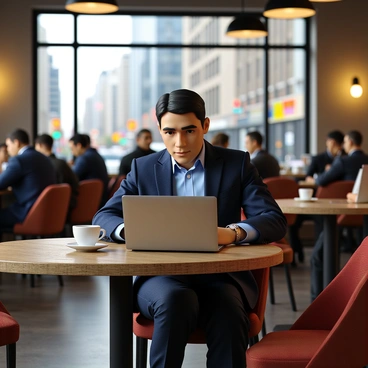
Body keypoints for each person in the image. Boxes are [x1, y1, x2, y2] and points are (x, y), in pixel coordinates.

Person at [93, 89, 287, 368]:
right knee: (175, 300)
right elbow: (104, 216)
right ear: (159, 129)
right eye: (170, 132)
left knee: (228, 310)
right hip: (160, 277)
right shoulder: (143, 168)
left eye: (189, 131)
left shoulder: (237, 163)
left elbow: (273, 218)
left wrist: (233, 233)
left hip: (221, 277)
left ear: (205, 126)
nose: (180, 142)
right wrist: (130, 230)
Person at [309, 130, 368, 301]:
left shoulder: (343, 161)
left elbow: (321, 181)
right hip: (363, 217)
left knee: (318, 256)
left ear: (349, 142)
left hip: (341, 215)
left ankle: (319, 301)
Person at [289, 130, 345, 265]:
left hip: (337, 204)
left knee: (322, 221)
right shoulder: (318, 159)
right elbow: (308, 177)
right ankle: (298, 251)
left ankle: (323, 254)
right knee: (294, 221)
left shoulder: (344, 160)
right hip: (315, 201)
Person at [0, 129, 56, 232]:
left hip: (28, 212)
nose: (7, 149)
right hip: (48, 213)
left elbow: (1, 183)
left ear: (16, 143)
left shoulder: (19, 160)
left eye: (8, 145)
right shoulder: (44, 158)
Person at [35, 133, 79, 213]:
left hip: (53, 208)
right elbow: (75, 183)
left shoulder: (44, 166)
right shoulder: (62, 163)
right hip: (69, 204)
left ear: (40, 145)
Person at [69, 133, 109, 207]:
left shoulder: (84, 158)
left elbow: (71, 179)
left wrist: (67, 168)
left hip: (87, 203)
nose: (72, 152)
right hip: (100, 200)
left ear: (78, 145)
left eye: (72, 148)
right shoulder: (96, 155)